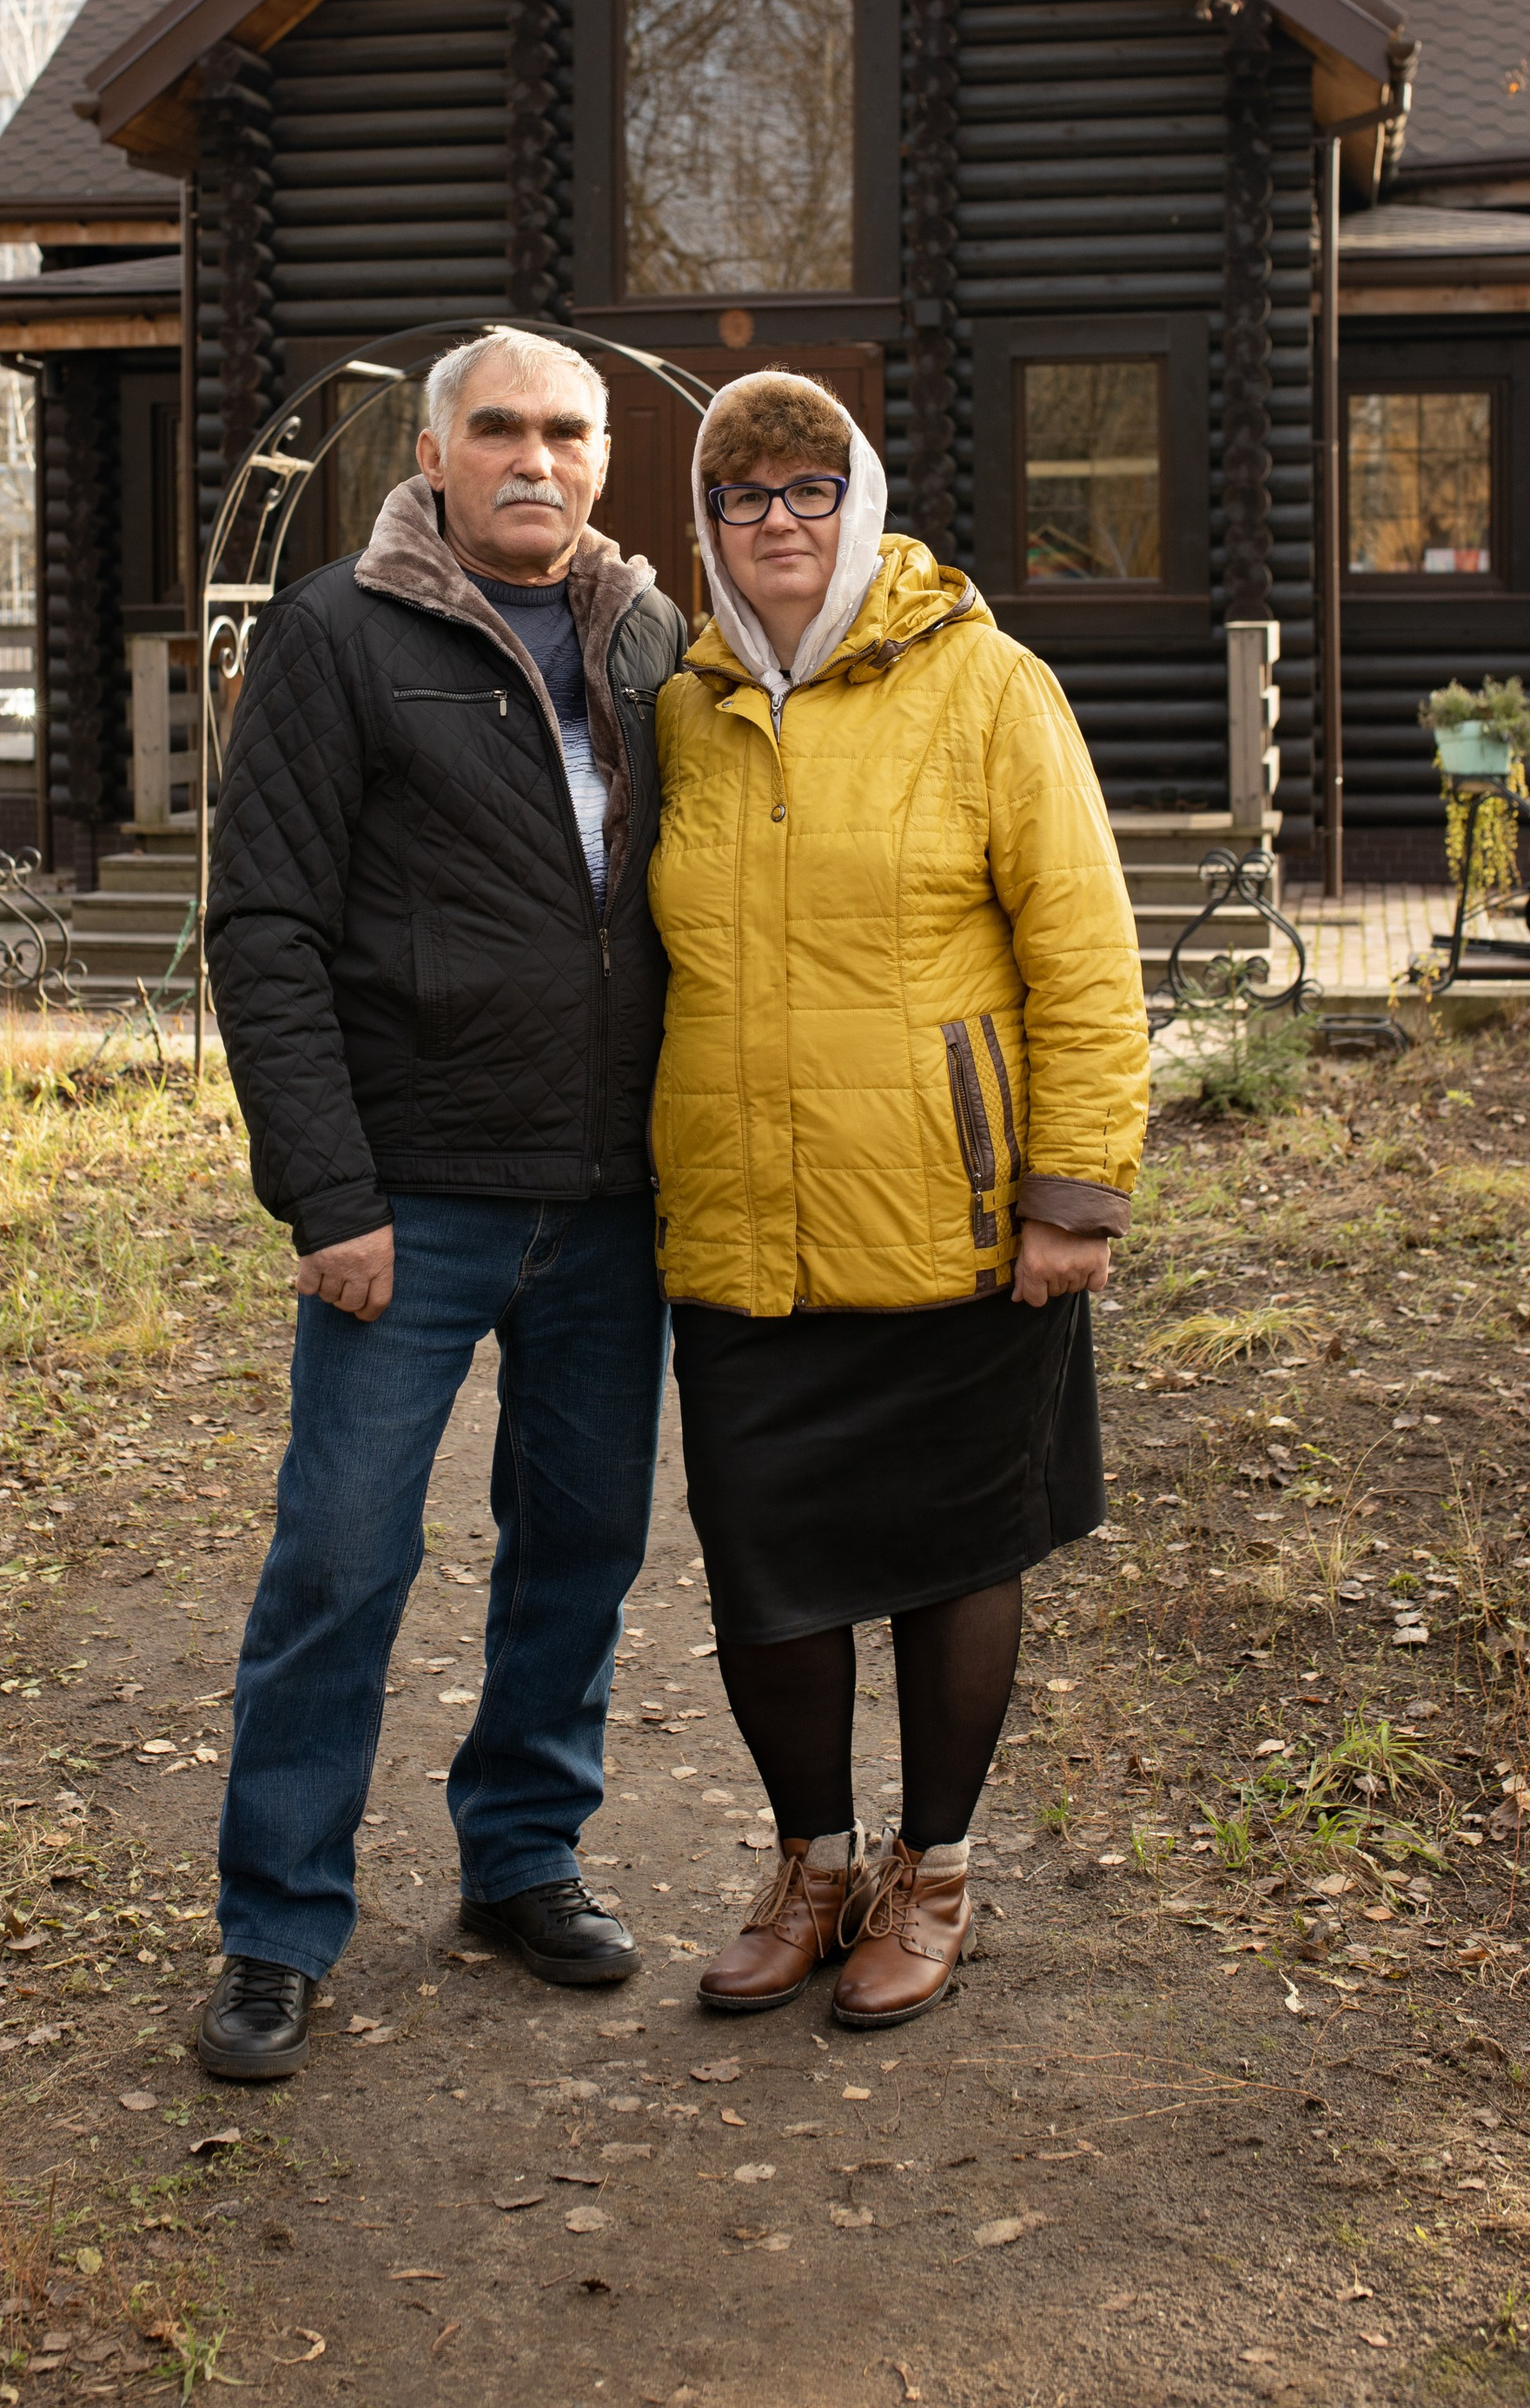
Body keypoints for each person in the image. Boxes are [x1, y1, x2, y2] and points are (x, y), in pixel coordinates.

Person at [197, 326, 687, 2082]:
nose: (532, 460)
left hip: (612, 1199)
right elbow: (261, 930)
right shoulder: (336, 633)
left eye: (564, 432)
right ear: (431, 449)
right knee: (339, 1556)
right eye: (499, 431)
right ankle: (276, 1928)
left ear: (603, 459)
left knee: (582, 1548)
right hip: (408, 1196)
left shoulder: (649, 636)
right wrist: (325, 1190)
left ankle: (522, 1860)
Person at [648, 370, 1148, 2031]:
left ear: (857, 503)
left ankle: (932, 1873)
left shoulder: (988, 684)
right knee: (765, 1576)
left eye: (806, 491)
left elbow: (1082, 947)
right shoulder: (682, 701)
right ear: (707, 529)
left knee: (952, 1562)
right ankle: (814, 1864)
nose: (777, 523)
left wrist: (1069, 1195)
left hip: (951, 1221)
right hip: (742, 1230)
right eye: (744, 499)